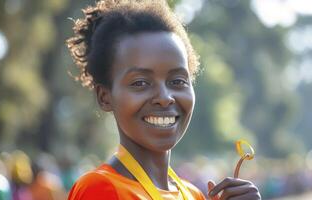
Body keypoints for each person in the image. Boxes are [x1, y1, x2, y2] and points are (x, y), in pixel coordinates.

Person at [66, 0, 261, 199]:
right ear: (104, 97)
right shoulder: (100, 189)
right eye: (140, 83)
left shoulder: (194, 195)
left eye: (177, 81)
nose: (165, 98)